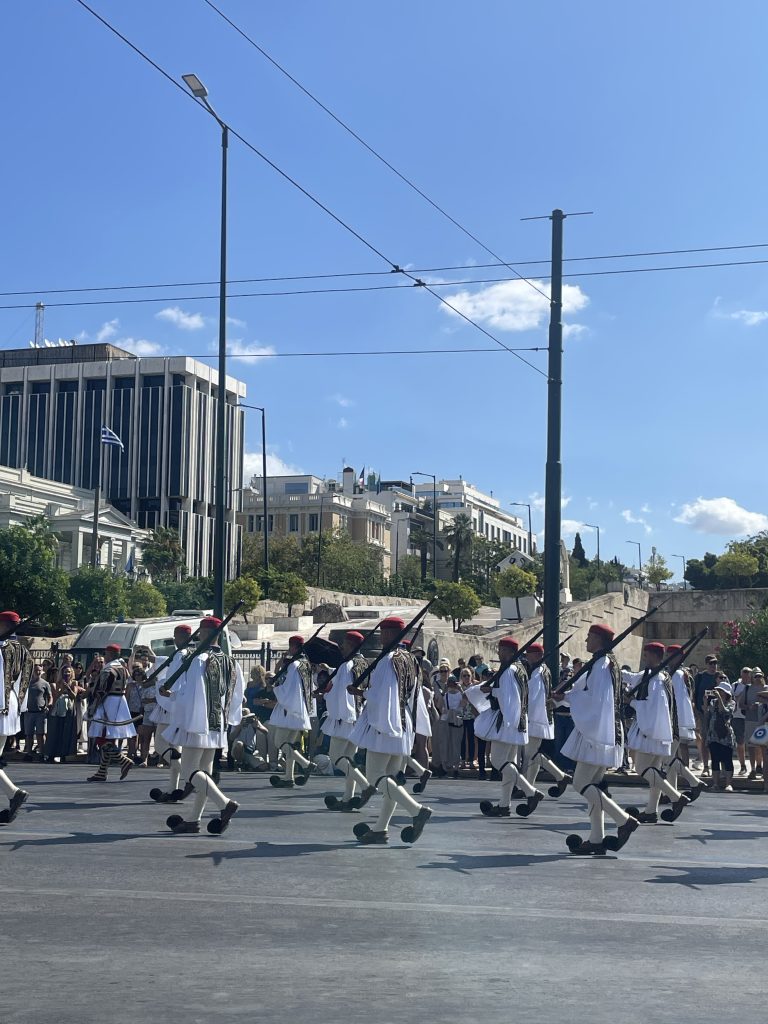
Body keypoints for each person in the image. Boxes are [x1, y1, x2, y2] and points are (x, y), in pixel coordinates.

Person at [347, 617, 433, 845]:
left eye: (383, 633)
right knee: (393, 779)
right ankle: (380, 829)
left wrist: (360, 693)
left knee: (376, 777)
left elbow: (382, 695)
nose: (381, 637)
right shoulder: (411, 660)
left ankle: (417, 810)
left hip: (385, 723)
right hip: (404, 724)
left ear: (387, 634)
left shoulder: (388, 661)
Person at [160, 616, 244, 834]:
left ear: (205, 634)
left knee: (190, 772)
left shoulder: (199, 659)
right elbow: (236, 696)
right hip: (217, 724)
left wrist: (171, 696)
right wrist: (229, 720)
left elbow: (192, 694)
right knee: (204, 774)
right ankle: (193, 819)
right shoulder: (231, 662)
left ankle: (225, 804)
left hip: (198, 722)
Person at [560, 624, 638, 855]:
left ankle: (623, 820)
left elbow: (596, 701)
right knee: (593, 787)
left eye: (589, 637)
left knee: (580, 783)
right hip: (602, 731)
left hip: (598, 732)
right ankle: (596, 839)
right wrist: (566, 696)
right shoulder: (605, 663)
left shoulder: (602, 665)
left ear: (599, 639)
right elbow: (590, 696)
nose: (585, 641)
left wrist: (569, 697)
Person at [470, 637, 543, 819]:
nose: (499, 653)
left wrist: (491, 691)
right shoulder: (520, 670)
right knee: (508, 764)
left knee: (498, 761)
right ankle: (504, 804)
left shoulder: (509, 671)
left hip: (507, 721)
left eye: (502, 650)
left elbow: (509, 697)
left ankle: (531, 792)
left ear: (510, 652)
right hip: (515, 721)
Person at [622, 642, 689, 824]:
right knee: (654, 773)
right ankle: (651, 811)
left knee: (642, 769)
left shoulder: (657, 680)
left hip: (651, 731)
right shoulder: (650, 676)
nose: (644, 658)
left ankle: (675, 796)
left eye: (646, 654)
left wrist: (632, 703)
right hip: (654, 731)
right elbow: (630, 677)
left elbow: (653, 708)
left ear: (653, 656)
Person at [320, 630, 368, 811]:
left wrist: (327, 700)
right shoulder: (363, 663)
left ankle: (365, 786)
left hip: (344, 717)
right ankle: (348, 797)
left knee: (336, 757)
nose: (342, 647)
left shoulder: (347, 665)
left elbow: (341, 693)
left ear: (352, 645)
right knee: (349, 759)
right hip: (358, 717)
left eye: (345, 644)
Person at [148, 624, 192, 802]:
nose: (174, 639)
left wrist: (160, 685)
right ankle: (173, 789)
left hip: (170, 704)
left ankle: (191, 776)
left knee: (160, 746)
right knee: (175, 750)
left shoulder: (181, 655)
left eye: (176, 636)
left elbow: (171, 679)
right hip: (180, 705)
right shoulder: (189, 655)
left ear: (181, 637)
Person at [522, 643, 569, 796]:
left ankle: (558, 777)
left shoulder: (537, 673)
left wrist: (525, 715)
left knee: (531, 755)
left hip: (536, 718)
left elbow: (533, 697)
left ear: (536, 655)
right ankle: (530, 786)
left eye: (529, 653)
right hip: (539, 718)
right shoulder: (541, 670)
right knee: (532, 754)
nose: (527, 657)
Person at [0, 611, 34, 823]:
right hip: (11, 704)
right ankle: (13, 794)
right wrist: (18, 709)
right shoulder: (23, 651)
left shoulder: (2, 649)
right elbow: (24, 683)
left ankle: (14, 793)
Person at [268, 635, 315, 789]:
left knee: (279, 742)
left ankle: (306, 764)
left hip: (290, 710)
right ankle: (289, 777)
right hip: (299, 710)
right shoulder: (306, 664)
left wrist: (275, 688)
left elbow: (289, 690)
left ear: (293, 647)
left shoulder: (295, 665)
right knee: (290, 746)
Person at [86, 644, 136, 783]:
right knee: (109, 738)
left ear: (109, 654)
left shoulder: (109, 669)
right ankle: (102, 772)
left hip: (109, 703)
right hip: (119, 701)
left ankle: (123, 760)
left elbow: (103, 690)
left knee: (101, 738)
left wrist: (95, 705)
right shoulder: (121, 667)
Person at [663, 646, 706, 800]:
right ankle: (672, 791)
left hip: (674, 721)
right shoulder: (681, 674)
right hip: (677, 721)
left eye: (670, 655)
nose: (667, 657)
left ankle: (694, 782)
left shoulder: (676, 675)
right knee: (671, 757)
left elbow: (677, 701)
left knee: (667, 758)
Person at [44, 665, 83, 764]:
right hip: (57, 709)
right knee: (55, 732)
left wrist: (68, 688)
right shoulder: (55, 684)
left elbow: (73, 696)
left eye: (69, 672)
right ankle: (51, 754)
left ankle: (64, 754)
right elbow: (55, 696)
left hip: (69, 709)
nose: (67, 674)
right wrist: (61, 689)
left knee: (66, 732)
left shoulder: (74, 683)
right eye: (65, 672)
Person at [705, 677, 737, 792]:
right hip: (714, 735)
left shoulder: (731, 703)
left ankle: (729, 784)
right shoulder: (713, 702)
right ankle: (715, 783)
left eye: (721, 691)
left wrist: (719, 698)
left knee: (727, 759)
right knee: (715, 759)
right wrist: (706, 701)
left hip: (726, 735)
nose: (719, 692)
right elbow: (708, 713)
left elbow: (725, 712)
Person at [435, 673, 465, 778]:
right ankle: (446, 766)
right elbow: (439, 705)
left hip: (455, 720)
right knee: (445, 744)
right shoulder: (445, 695)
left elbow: (465, 703)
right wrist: (443, 692)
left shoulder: (460, 694)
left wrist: (460, 689)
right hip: (448, 720)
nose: (452, 685)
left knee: (455, 744)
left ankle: (454, 766)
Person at [693, 656, 719, 776]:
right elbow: (694, 693)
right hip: (703, 713)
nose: (713, 666)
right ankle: (706, 767)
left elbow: (728, 693)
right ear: (706, 664)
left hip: (717, 713)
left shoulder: (720, 676)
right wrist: (696, 710)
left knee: (718, 740)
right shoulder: (700, 677)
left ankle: (717, 767)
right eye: (711, 663)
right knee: (704, 740)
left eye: (715, 663)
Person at [23, 663, 52, 761]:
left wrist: (48, 705)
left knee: (40, 734)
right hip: (29, 712)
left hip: (40, 712)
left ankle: (42, 753)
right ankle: (29, 753)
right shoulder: (27, 683)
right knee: (29, 734)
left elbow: (50, 696)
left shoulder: (45, 683)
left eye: (40, 670)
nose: (38, 672)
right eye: (36, 670)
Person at [732, 667, 751, 775]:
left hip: (751, 717)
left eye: (748, 674)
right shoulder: (735, 685)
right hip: (737, 716)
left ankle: (757, 766)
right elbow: (730, 699)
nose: (746, 677)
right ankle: (743, 766)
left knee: (755, 743)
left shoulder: (753, 686)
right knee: (740, 742)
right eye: (744, 674)